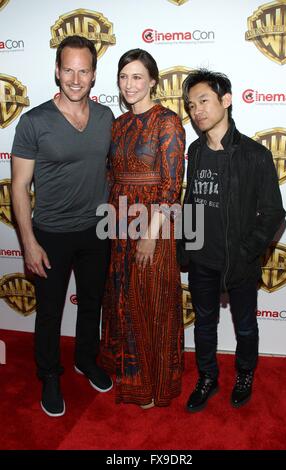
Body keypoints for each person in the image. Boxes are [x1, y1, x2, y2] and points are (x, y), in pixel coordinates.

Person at [11, 35, 114, 417]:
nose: (75, 78)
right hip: (51, 233)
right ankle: (49, 375)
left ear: (93, 74)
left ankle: (86, 359)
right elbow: (19, 187)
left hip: (96, 230)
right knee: (50, 312)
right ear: (57, 72)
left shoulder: (106, 118)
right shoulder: (34, 121)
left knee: (91, 303)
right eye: (68, 69)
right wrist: (28, 243)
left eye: (83, 70)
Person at [179, 68, 285, 412]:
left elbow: (273, 213)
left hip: (240, 262)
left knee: (245, 327)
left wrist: (246, 252)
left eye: (204, 100)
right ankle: (207, 378)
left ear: (226, 100)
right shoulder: (194, 151)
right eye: (191, 104)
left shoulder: (255, 154)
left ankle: (244, 375)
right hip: (202, 260)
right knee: (204, 326)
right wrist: (186, 247)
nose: (198, 110)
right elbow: (191, 202)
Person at [99, 48, 185, 408]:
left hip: (154, 224)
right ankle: (130, 375)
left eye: (137, 77)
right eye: (123, 76)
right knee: (121, 300)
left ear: (153, 81)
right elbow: (109, 175)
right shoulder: (117, 125)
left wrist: (150, 233)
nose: (129, 84)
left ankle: (154, 383)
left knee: (151, 301)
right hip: (118, 222)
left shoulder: (168, 121)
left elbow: (172, 184)